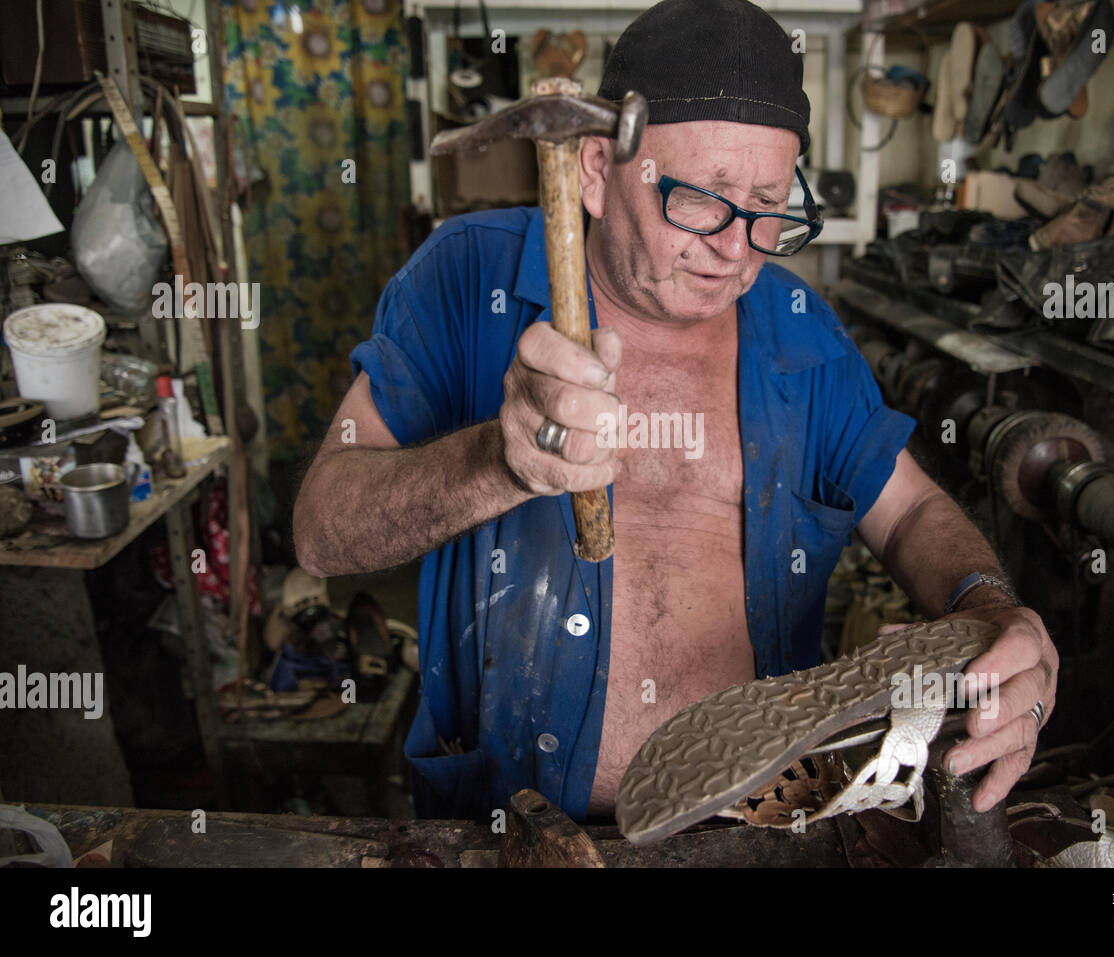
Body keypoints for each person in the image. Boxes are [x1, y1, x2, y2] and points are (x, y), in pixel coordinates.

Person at [293, 0, 1058, 823]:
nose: (737, 248)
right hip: (511, 828)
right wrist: (495, 462)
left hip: (757, 823)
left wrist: (986, 604)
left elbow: (908, 512)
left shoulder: (800, 334)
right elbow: (322, 529)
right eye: (701, 198)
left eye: (770, 206)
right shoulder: (462, 280)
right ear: (594, 170)